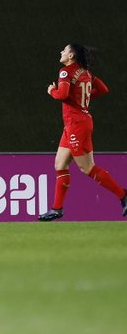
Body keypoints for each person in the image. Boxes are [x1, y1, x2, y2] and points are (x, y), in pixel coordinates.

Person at [39, 43, 127, 221]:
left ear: (71, 55)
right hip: (76, 124)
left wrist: (52, 91)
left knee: (87, 168)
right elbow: (103, 89)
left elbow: (62, 95)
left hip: (76, 125)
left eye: (64, 50)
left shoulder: (66, 72)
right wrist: (82, 99)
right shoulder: (85, 73)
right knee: (60, 164)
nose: (61, 52)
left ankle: (123, 196)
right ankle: (56, 208)